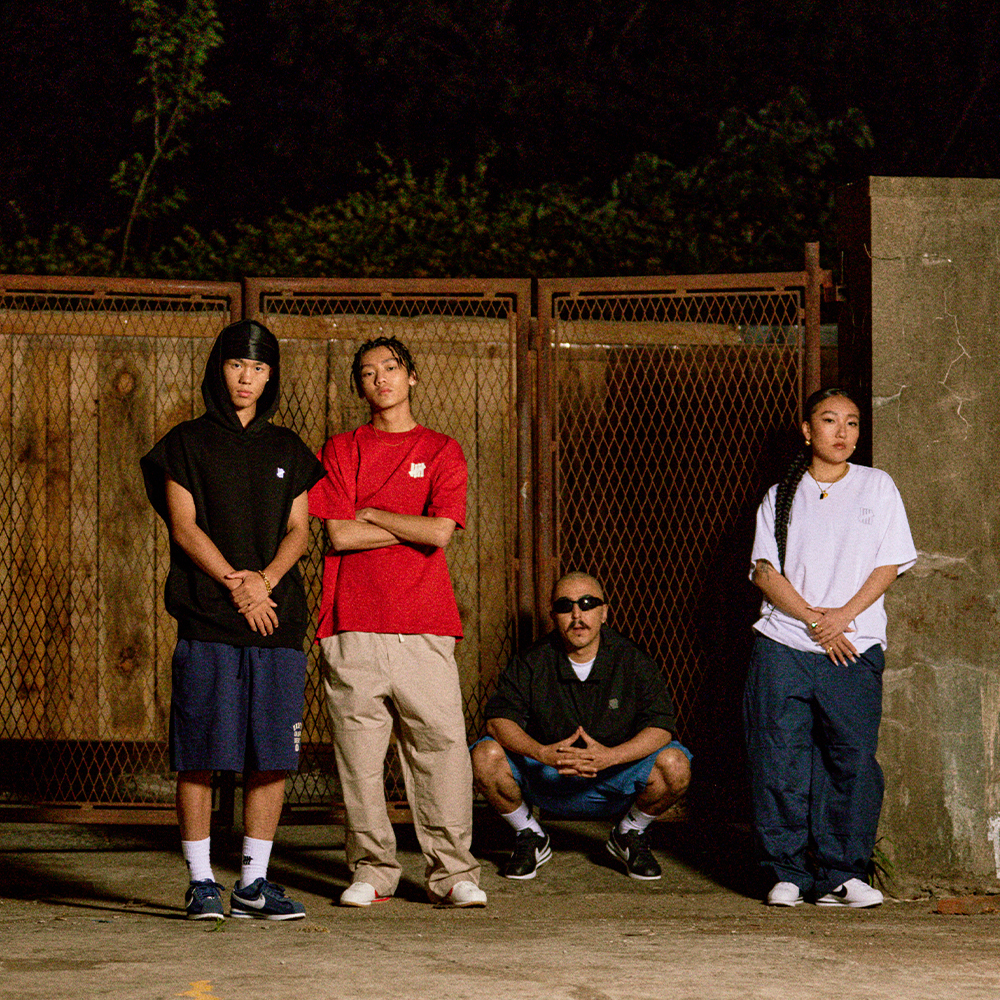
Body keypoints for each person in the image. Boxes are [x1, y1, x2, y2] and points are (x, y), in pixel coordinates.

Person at [141, 319, 324, 921]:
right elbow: (184, 527)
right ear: (219, 368)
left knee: (271, 755)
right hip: (208, 618)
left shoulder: (287, 448)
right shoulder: (185, 442)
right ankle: (200, 883)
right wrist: (236, 585)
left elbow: (300, 530)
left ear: (271, 378)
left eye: (259, 368)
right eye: (237, 365)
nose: (247, 378)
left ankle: (252, 884)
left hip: (276, 621)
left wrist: (264, 582)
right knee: (200, 752)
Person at [309, 336, 486, 908]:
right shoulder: (341, 449)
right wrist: (412, 524)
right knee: (359, 758)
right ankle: (372, 871)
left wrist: (377, 514)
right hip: (351, 623)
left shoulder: (441, 449)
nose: (380, 379)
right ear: (359, 386)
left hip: (424, 623)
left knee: (441, 749)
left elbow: (441, 532)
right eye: (367, 373)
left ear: (411, 376)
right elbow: (340, 534)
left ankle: (453, 873)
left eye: (390, 368)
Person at [743, 387, 916, 908]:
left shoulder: (876, 486)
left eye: (852, 422)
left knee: (852, 761)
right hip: (784, 644)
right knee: (779, 758)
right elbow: (764, 572)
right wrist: (816, 620)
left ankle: (842, 874)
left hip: (852, 647)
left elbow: (890, 562)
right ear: (806, 429)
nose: (842, 432)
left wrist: (843, 616)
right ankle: (788, 873)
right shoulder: (780, 495)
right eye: (829, 420)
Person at [472, 571, 692, 881]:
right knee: (485, 756)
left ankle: (629, 833)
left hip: (613, 778)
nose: (577, 615)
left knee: (675, 764)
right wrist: (541, 753)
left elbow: (661, 727)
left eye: (587, 604)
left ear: (604, 612)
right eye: (565, 606)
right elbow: (498, 721)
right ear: (553, 616)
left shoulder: (632, 659)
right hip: (548, 776)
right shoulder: (532, 660)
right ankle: (530, 834)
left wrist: (611, 757)